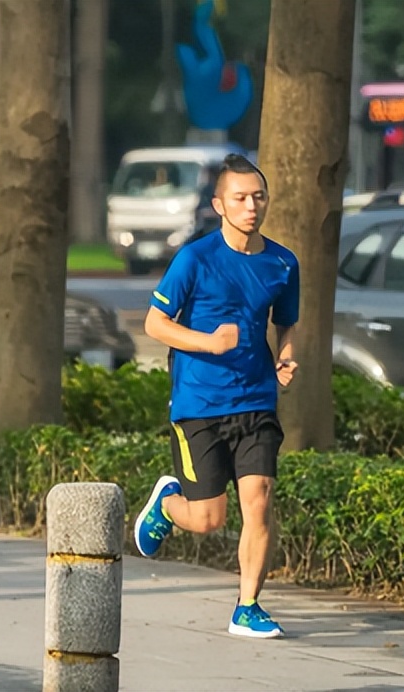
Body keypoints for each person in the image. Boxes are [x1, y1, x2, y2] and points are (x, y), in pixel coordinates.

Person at [132, 153, 300, 639]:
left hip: (256, 400)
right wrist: (208, 342)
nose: (251, 206)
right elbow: (154, 323)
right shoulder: (195, 258)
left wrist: (286, 357)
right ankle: (168, 504)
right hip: (199, 404)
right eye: (240, 198)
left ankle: (247, 605)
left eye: (258, 197)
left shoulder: (282, 262)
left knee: (260, 500)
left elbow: (285, 321)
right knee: (208, 518)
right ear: (219, 204)